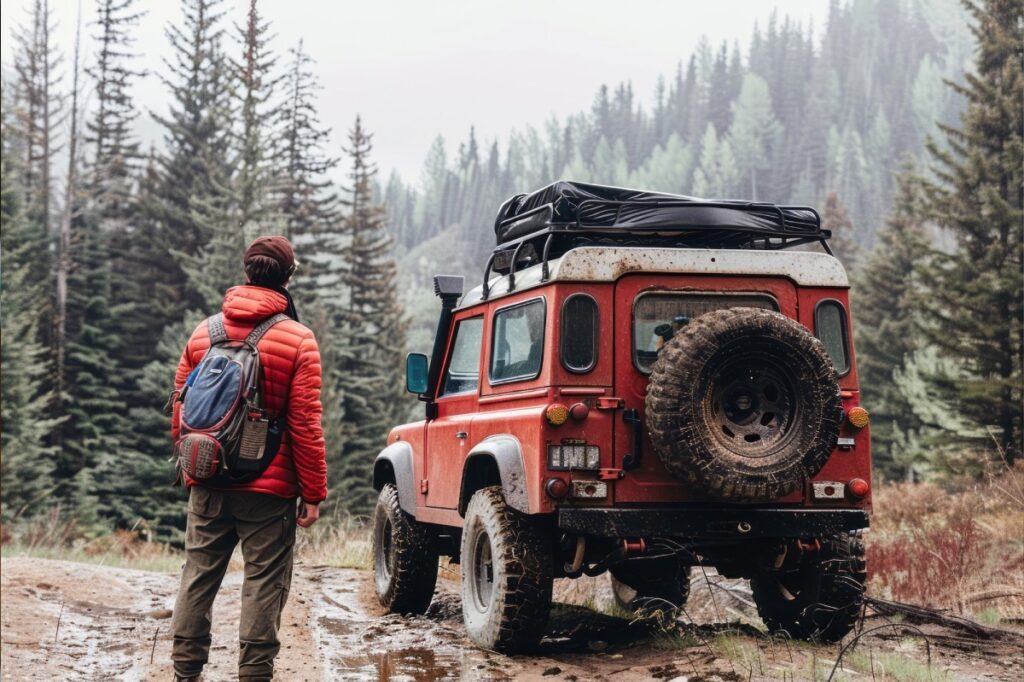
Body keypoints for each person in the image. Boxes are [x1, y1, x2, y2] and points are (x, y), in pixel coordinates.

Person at [169, 236, 328, 682]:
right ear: (287, 277)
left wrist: (192, 469)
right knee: (264, 581)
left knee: (198, 574)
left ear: (246, 272)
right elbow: (304, 425)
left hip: (208, 477)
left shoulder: (204, 332)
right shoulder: (298, 339)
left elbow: (180, 409)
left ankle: (185, 671)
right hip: (269, 488)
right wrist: (313, 492)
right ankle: (254, 674)